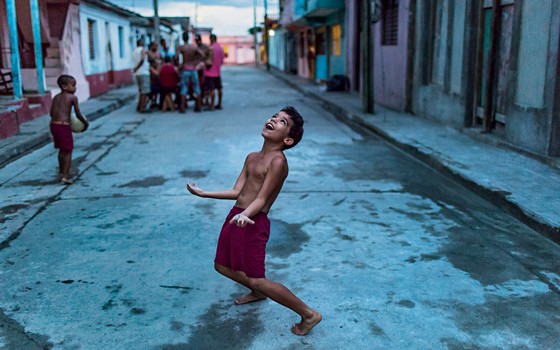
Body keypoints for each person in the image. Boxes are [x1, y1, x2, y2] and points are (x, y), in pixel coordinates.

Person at [186, 106, 322, 336]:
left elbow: (261, 198)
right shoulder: (252, 157)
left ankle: (309, 314)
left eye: (282, 122)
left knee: (258, 279)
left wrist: (246, 215)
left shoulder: (278, 161)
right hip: (237, 216)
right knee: (221, 266)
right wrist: (204, 193)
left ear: (288, 139)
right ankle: (257, 292)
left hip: (253, 222)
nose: (273, 120)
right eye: (275, 117)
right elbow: (237, 191)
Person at [49, 75, 89, 185]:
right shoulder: (72, 98)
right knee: (68, 151)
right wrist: (85, 123)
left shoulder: (56, 97)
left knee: (62, 150)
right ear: (64, 86)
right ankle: (65, 176)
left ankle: (61, 173)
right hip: (63, 126)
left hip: (53, 125)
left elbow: (51, 113)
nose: (75, 88)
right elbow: (78, 114)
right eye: (73, 85)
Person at [175, 31, 205, 113]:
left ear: (183, 38)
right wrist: (196, 62)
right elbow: (202, 55)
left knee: (184, 88)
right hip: (193, 68)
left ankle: (182, 107)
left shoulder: (181, 47)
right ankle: (198, 106)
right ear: (188, 38)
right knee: (196, 87)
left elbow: (176, 56)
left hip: (185, 69)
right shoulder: (193, 47)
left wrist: (179, 65)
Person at [204, 34, 225, 110]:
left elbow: (205, 59)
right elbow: (222, 60)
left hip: (209, 72)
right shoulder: (220, 48)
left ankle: (212, 105)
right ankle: (219, 104)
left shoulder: (210, 48)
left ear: (211, 39)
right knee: (219, 88)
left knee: (211, 89)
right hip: (217, 72)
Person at [132, 38, 151, 113]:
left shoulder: (134, 51)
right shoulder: (142, 50)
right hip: (143, 72)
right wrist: (137, 67)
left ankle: (139, 106)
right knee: (145, 91)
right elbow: (143, 59)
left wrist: (136, 69)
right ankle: (141, 108)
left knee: (141, 91)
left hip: (138, 74)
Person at [148, 41, 162, 110]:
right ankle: (152, 101)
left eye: (156, 46)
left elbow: (161, 60)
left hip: (158, 72)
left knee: (157, 88)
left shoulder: (158, 53)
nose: (155, 47)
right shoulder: (149, 53)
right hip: (151, 72)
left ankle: (156, 101)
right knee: (151, 88)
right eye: (154, 46)